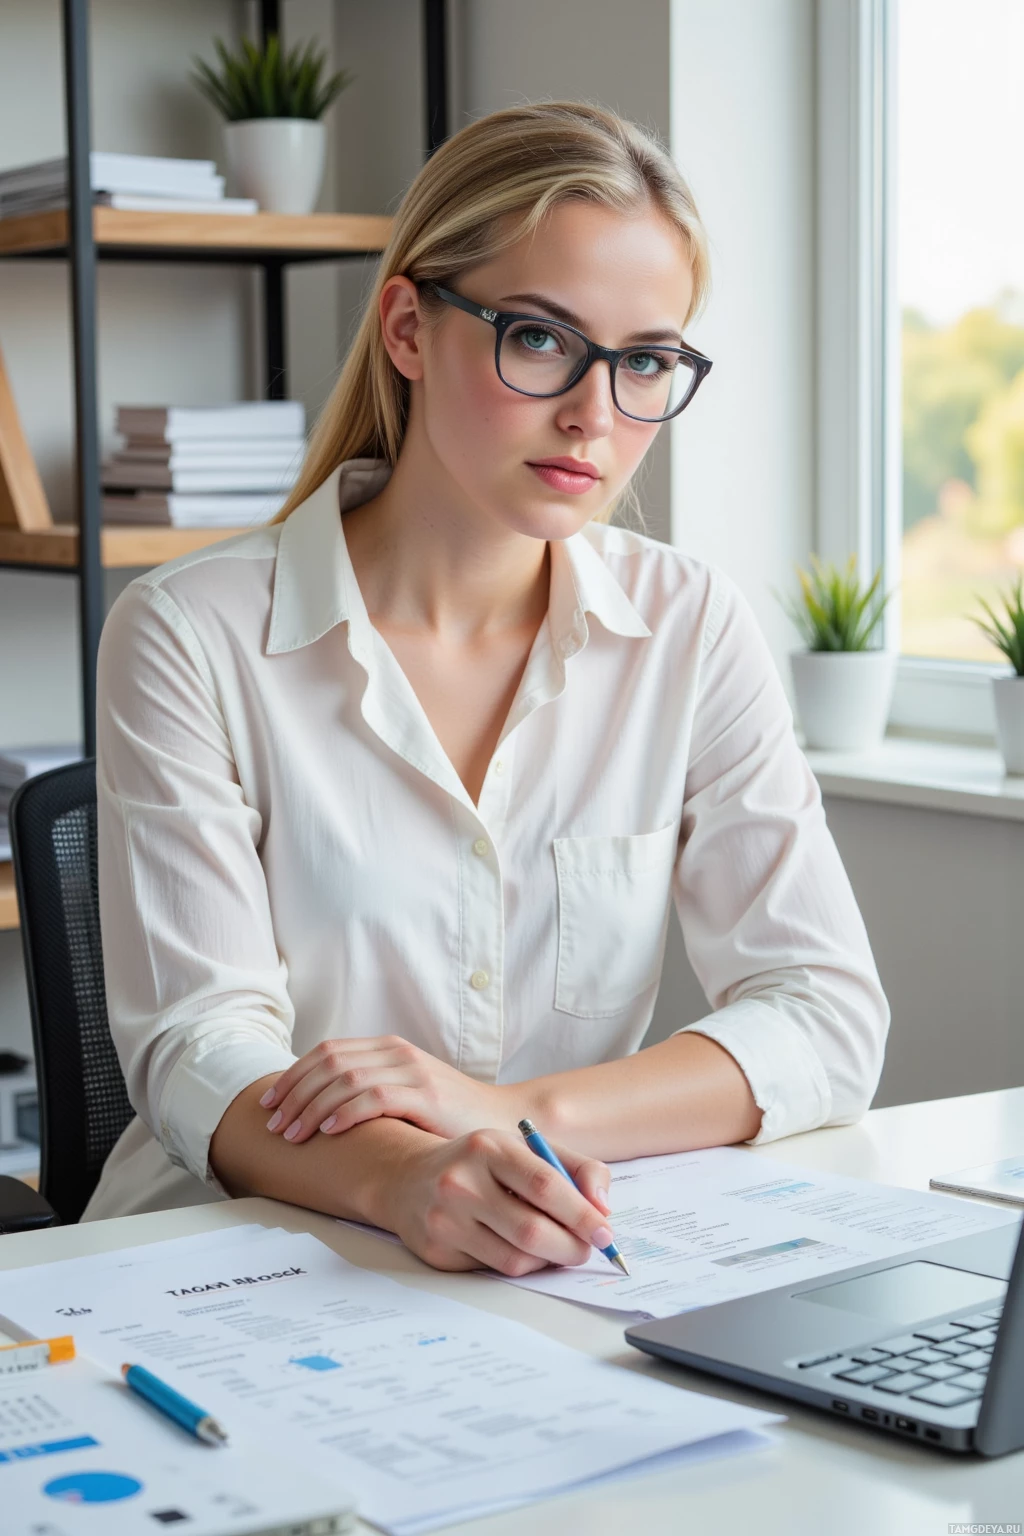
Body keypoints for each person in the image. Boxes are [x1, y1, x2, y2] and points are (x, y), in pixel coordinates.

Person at [86, 102, 889, 1279]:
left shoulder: (688, 624)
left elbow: (822, 1017)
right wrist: (407, 1178)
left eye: (645, 362)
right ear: (409, 327)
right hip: (227, 1264)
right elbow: (201, 1051)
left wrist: (509, 1113)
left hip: (544, 1258)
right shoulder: (188, 632)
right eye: (538, 338)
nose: (594, 416)